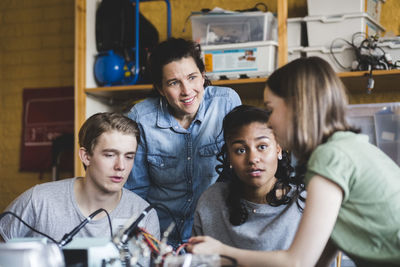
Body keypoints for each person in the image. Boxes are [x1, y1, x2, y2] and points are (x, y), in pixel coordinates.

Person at [188, 57, 400, 267]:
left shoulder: (330, 157)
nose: (269, 122)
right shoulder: (346, 147)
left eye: (271, 110)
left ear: (298, 107)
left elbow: (297, 262)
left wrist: (221, 253)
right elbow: (321, 255)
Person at [124, 37, 242, 247]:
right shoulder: (141, 118)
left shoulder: (226, 103)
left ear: (203, 76)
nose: (187, 90)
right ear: (160, 88)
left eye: (192, 77)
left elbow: (238, 177)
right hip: (160, 238)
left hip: (214, 237)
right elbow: (136, 193)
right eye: (174, 82)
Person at [0, 112, 160, 243]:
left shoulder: (143, 215)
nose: (121, 166)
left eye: (129, 156)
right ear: (86, 156)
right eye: (110, 155)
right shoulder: (39, 201)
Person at [192, 105, 304, 251]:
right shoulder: (212, 200)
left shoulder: (303, 203)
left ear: (278, 149)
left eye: (262, 146)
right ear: (229, 158)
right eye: (241, 150)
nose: (252, 159)